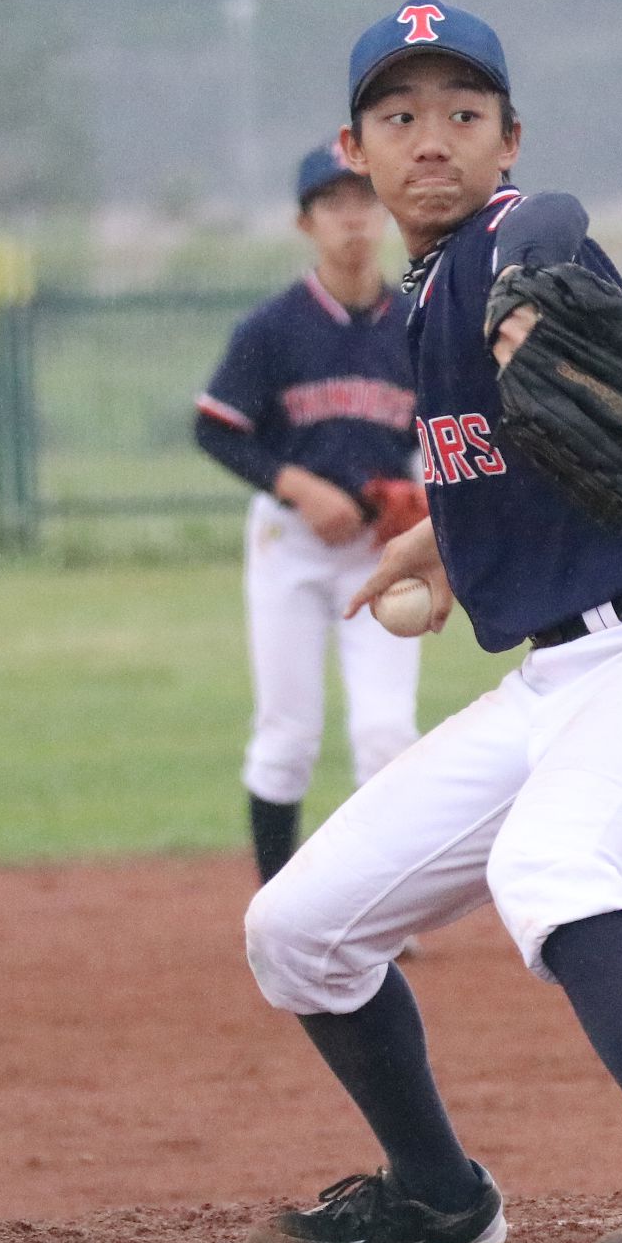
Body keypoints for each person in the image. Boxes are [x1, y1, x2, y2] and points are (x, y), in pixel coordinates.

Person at [240, 0, 622, 1243]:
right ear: (355, 153)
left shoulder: (509, 247)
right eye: (399, 117)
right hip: (561, 678)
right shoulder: (424, 304)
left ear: (508, 139)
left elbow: (547, 221)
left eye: (464, 113)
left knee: (550, 864)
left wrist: (530, 295)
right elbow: (513, 459)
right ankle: (438, 1194)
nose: (432, 139)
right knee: (299, 930)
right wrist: (444, 541)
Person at [193, 144, 430, 883]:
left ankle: (380, 910)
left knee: (386, 732)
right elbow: (216, 429)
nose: (352, 218)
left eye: (365, 200)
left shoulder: (417, 326)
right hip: (289, 543)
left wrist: (424, 500)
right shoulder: (272, 329)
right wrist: (299, 486)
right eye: (334, 204)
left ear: (386, 211)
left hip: (382, 551)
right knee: (286, 737)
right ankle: (278, 911)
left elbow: (441, 438)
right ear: (306, 223)